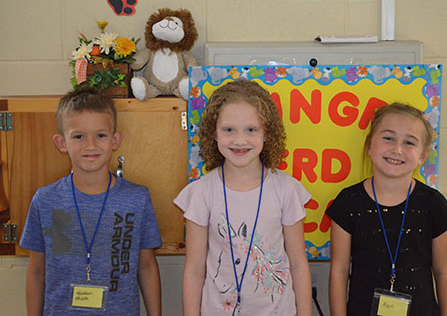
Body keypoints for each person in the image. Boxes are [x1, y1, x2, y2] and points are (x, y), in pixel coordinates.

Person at [20, 88, 162, 315]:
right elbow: (37, 271)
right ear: (61, 143)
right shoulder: (45, 200)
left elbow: (146, 266)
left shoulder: (137, 199)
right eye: (79, 136)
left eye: (100, 135)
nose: (90, 145)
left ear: (115, 140)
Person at [174, 80, 312, 316]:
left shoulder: (286, 189)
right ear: (213, 133)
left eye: (251, 130)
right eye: (229, 130)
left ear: (267, 133)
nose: (240, 141)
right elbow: (195, 269)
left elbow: (299, 264)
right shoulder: (201, 193)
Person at [327, 102, 447, 316]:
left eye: (409, 142)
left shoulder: (434, 205)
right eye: (388, 138)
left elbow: (444, 272)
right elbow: (339, 271)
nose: (397, 149)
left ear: (422, 157)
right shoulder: (348, 203)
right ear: (369, 145)